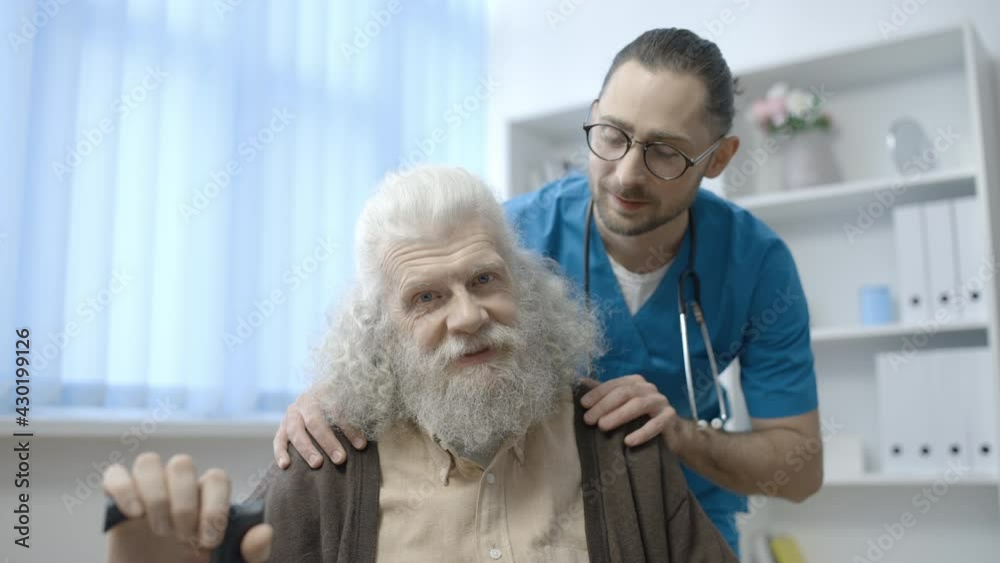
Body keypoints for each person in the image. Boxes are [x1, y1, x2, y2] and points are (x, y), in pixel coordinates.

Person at [273, 28, 824, 554]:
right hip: (554, 509)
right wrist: (332, 396)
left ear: (719, 158)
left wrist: (678, 435)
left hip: (689, 517)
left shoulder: (757, 264)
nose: (626, 174)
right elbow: (408, 327)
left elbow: (799, 472)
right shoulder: (509, 243)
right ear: (592, 118)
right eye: (612, 134)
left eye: (664, 152)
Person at [101, 166, 737, 562]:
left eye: (484, 279)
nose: (467, 317)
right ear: (382, 332)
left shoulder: (620, 446)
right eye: (426, 297)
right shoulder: (328, 463)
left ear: (524, 289)